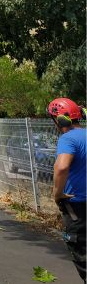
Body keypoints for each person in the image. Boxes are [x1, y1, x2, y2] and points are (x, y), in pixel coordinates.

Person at [48, 97, 86, 280]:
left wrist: (58, 193)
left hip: (77, 205)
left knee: (81, 251)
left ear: (58, 120)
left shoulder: (67, 138)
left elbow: (61, 167)